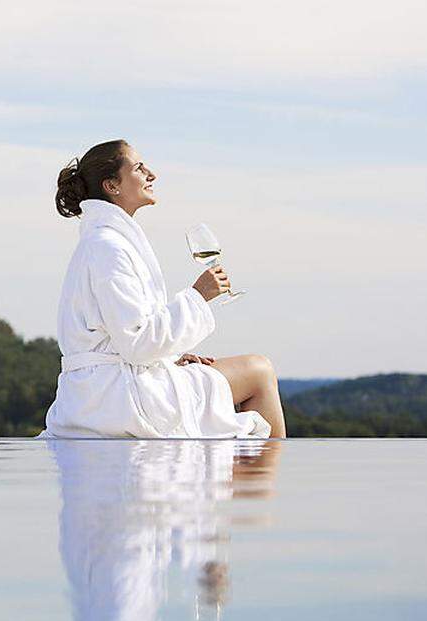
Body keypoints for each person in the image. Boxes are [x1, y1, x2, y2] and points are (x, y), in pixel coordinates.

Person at [36, 139, 286, 439]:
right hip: (119, 399)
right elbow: (137, 343)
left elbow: (124, 334)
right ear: (112, 186)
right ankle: (265, 486)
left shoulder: (103, 243)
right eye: (139, 168)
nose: (152, 174)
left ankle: (255, 486)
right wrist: (198, 296)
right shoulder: (109, 248)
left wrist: (171, 358)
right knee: (259, 371)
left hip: (100, 392)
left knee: (247, 371)